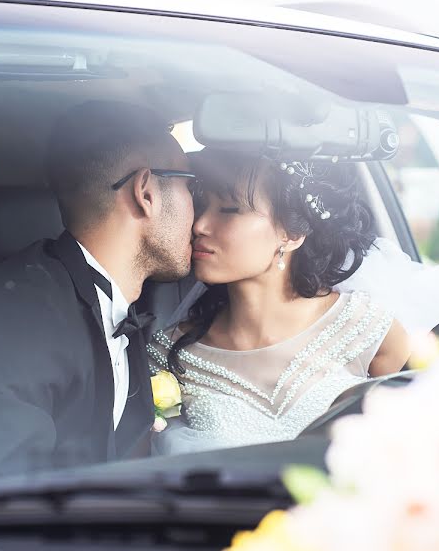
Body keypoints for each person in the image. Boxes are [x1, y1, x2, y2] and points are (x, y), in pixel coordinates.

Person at [0, 101, 197, 479]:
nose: (198, 215)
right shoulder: (17, 322)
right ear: (146, 193)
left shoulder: (103, 297)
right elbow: (5, 501)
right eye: (191, 187)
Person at [147, 147, 412, 455]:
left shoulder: (366, 329)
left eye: (229, 209)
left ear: (291, 232)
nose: (200, 225)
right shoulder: (168, 355)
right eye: (202, 205)